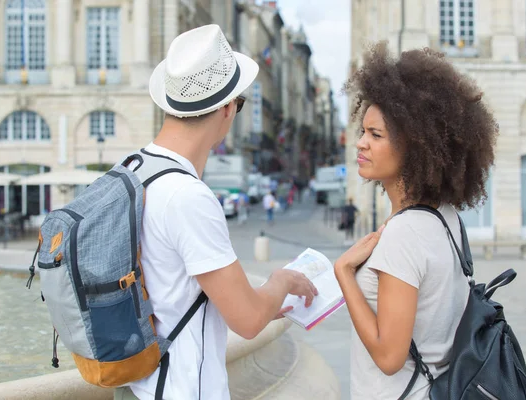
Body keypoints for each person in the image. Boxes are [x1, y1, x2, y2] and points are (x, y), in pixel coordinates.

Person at [115, 25, 318, 400]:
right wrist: (282, 280)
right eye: (240, 104)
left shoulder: (132, 168)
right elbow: (249, 321)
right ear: (226, 108)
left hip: (137, 386)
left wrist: (264, 299)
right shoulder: (187, 196)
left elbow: (172, 289)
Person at [334, 43, 497, 400]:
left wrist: (344, 275)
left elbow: (390, 356)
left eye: (375, 135)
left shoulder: (405, 233)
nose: (360, 144)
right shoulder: (444, 214)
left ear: (415, 146)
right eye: (363, 131)